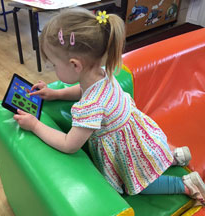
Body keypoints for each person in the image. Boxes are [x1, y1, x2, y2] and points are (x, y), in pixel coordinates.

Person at [13, 7, 205, 205]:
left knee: (139, 185)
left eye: (54, 65)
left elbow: (69, 144)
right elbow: (82, 90)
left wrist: (35, 126)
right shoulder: (103, 72)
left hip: (127, 149)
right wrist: (56, 93)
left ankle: (185, 184)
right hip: (139, 136)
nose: (53, 70)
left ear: (75, 65)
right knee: (148, 157)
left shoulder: (90, 106)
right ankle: (172, 157)